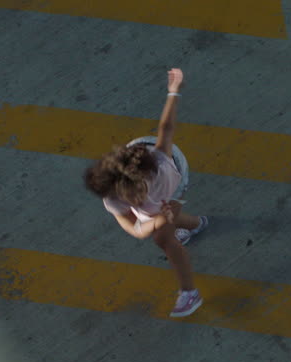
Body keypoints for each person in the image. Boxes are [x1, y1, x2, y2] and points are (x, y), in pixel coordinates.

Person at [83, 68, 208, 317]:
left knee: (163, 239)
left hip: (175, 179)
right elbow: (135, 229)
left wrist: (174, 92)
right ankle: (196, 224)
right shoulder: (113, 196)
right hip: (138, 168)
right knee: (159, 224)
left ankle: (190, 293)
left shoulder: (161, 163)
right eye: (131, 201)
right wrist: (158, 220)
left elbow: (166, 128)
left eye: (136, 198)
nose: (134, 203)